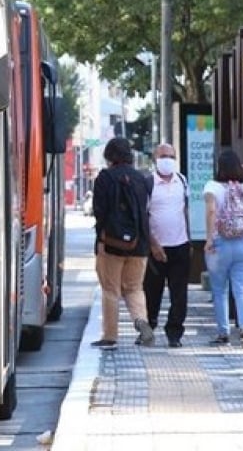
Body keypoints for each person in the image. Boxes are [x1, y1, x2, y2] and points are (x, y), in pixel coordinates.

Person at [90, 137, 153, 349]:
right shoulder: (141, 179)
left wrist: (101, 239)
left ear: (109, 156)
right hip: (140, 244)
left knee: (111, 290)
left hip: (111, 244)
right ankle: (141, 321)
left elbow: (100, 212)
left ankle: (110, 336)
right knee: (135, 288)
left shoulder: (105, 178)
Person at [204, 148, 243, 349]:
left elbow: (211, 211)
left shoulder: (212, 187)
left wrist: (209, 239)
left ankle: (223, 332)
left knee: (219, 290)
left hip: (221, 244)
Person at [143, 143, 190, 348]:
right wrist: (153, 244)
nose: (167, 159)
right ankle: (148, 328)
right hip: (156, 248)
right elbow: (143, 217)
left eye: (171, 156)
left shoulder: (182, 180)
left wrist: (189, 238)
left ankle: (174, 333)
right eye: (163, 156)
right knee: (152, 292)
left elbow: (185, 210)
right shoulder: (148, 183)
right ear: (155, 158)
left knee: (179, 294)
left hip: (180, 245)